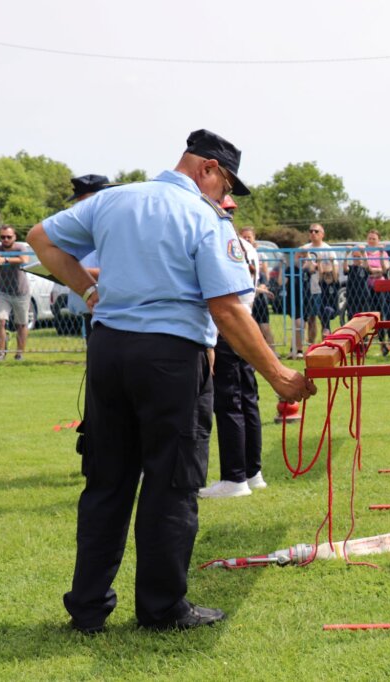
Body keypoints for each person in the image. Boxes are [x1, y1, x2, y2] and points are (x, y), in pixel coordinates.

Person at [28, 128, 315, 634]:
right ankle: (162, 609)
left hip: (110, 349)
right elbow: (227, 307)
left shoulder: (115, 199)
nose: (225, 198)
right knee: (172, 482)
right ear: (206, 168)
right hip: (170, 358)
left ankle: (89, 607)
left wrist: (91, 294)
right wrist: (278, 374)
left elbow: (40, 238)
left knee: (107, 481)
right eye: (225, 185)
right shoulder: (204, 218)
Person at [201, 224, 267, 499]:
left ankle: (234, 477)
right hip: (245, 324)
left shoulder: (220, 242)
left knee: (229, 403)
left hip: (227, 326)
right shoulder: (247, 246)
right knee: (248, 401)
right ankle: (252, 473)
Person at [63, 175, 121, 339]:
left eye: (83, 202)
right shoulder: (85, 230)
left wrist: (72, 271)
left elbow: (115, 271)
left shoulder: (113, 228)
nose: (78, 207)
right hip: (91, 307)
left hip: (112, 310)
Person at [294, 223, 336, 355]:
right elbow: (297, 266)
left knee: (324, 319)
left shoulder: (328, 249)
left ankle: (325, 348)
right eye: (311, 231)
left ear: (322, 234)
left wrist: (317, 267)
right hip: (307, 288)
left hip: (322, 288)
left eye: (316, 231)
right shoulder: (305, 249)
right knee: (311, 319)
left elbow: (333, 269)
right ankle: (311, 347)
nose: (313, 233)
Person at [0, 225, 32, 360]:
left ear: (14, 237)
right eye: (2, 237)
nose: (5, 239)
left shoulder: (20, 248)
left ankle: (19, 353)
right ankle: (1, 353)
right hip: (3, 292)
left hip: (21, 292)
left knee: (21, 324)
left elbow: (24, 260)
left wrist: (5, 260)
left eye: (8, 237)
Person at [239, 226, 276, 351]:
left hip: (259, 295)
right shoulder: (239, 253)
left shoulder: (261, 255)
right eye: (244, 237)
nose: (247, 239)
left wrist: (262, 287)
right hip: (245, 296)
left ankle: (273, 352)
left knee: (264, 326)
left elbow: (265, 275)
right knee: (248, 326)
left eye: (249, 237)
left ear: (254, 238)